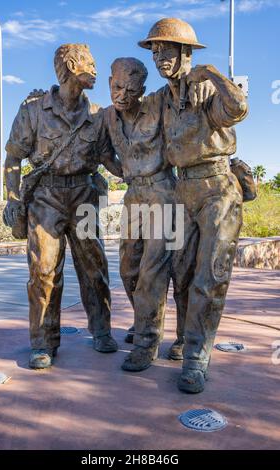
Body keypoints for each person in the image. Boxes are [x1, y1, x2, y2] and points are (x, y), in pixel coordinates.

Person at [139, 18, 248, 392]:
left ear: (185, 52)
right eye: (154, 51)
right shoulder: (162, 98)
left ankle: (197, 360)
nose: (158, 57)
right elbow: (124, 108)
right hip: (180, 189)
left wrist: (214, 73)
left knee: (209, 276)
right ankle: (182, 339)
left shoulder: (205, 89)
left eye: (165, 49)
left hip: (216, 187)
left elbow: (238, 108)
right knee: (180, 272)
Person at [3, 43, 123, 369]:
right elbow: (13, 157)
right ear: (71, 66)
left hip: (83, 196)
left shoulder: (98, 115)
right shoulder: (33, 111)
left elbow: (109, 159)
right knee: (43, 272)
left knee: (94, 267)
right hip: (46, 198)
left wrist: (143, 172)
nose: (96, 70)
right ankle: (43, 342)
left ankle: (101, 330)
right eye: (90, 63)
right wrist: (14, 199)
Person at [105, 57, 176, 371]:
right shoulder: (107, 117)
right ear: (110, 82)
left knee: (152, 272)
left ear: (142, 90)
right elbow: (102, 152)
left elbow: (182, 85)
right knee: (128, 270)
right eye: (117, 87)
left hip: (163, 193)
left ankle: (149, 342)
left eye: (131, 91)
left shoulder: (159, 105)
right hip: (134, 194)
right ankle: (143, 319)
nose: (122, 95)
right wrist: (121, 172)